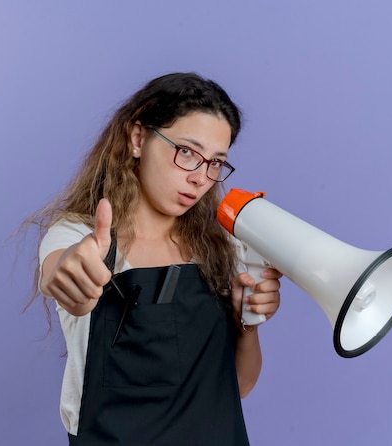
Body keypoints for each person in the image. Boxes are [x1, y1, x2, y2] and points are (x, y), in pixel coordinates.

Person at [29, 72, 282, 445]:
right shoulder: (78, 237)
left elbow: (238, 387)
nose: (200, 177)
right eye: (187, 153)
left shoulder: (225, 248)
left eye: (215, 162)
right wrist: (73, 280)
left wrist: (248, 325)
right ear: (137, 139)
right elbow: (63, 274)